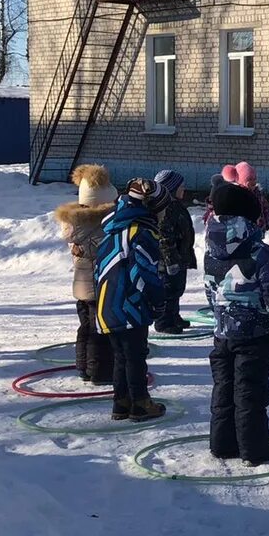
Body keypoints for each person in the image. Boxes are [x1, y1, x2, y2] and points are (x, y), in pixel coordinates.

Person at [204, 177, 269, 465]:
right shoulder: (260, 252)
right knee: (250, 393)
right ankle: (254, 449)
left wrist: (221, 318)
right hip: (255, 336)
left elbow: (210, 291)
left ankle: (222, 443)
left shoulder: (211, 249)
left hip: (223, 334)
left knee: (224, 389)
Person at [94, 178, 167, 422]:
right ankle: (140, 404)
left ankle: (121, 402)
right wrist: (158, 303)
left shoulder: (112, 230)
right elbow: (144, 273)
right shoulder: (141, 233)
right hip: (130, 306)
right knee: (135, 356)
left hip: (107, 305)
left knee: (121, 357)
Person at [53, 164, 116, 384]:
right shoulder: (100, 225)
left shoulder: (75, 223)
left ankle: (83, 367)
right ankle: (99, 372)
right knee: (99, 330)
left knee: (86, 328)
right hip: (98, 286)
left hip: (81, 287)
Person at [153, 169, 196, 334]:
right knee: (167, 289)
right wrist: (170, 260)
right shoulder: (164, 209)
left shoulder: (175, 205)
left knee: (177, 288)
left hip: (180, 254)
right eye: (181, 186)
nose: (183, 189)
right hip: (168, 260)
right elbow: (164, 238)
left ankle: (173, 316)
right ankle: (163, 321)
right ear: (171, 188)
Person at [235, 161, 269, 232]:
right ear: (241, 182)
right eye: (249, 179)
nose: (253, 181)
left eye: (254, 178)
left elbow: (265, 208)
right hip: (243, 231)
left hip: (259, 228)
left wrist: (267, 223)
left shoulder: (258, 194)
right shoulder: (238, 194)